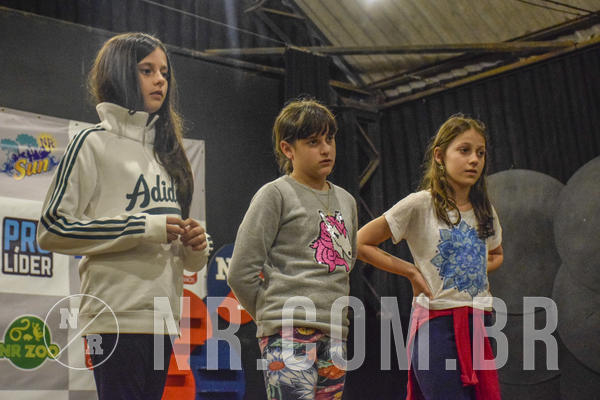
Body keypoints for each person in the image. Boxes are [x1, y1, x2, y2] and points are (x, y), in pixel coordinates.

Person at [37, 32, 210, 400]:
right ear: (119, 74)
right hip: (113, 319)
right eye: (147, 70)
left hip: (162, 321)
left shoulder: (170, 153)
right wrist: (144, 227)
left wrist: (195, 246)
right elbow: (52, 228)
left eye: (164, 72)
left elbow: (186, 258)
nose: (160, 80)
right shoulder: (91, 143)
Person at [357, 114, 503, 400]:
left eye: (480, 153)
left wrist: (471, 266)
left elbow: (496, 254)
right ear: (439, 156)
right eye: (464, 150)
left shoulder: (485, 210)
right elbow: (361, 242)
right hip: (436, 323)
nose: (474, 160)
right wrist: (411, 272)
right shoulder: (421, 204)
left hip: (478, 324)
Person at [227, 98, 357, 400]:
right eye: (313, 142)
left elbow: (346, 265)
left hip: (336, 332)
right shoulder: (275, 194)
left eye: (329, 139)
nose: (325, 149)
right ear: (288, 149)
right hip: (288, 332)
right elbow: (240, 272)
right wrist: (273, 315)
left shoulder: (347, 201)